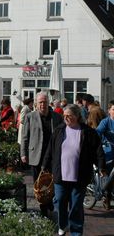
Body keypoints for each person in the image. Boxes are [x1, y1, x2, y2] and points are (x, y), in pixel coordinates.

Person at [42, 104, 106, 235]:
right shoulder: (59, 130)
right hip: (61, 175)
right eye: (64, 115)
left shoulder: (88, 132)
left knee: (76, 206)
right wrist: (44, 165)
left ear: (77, 116)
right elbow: (50, 149)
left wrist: (101, 166)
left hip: (79, 176)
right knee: (59, 201)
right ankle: (63, 225)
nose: (65, 118)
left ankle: (76, 232)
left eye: (69, 115)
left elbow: (98, 150)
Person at [20, 91, 63, 216]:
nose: (42, 105)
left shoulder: (56, 117)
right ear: (36, 104)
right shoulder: (30, 116)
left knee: (51, 182)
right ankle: (43, 207)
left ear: (48, 103)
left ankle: (48, 202)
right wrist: (23, 153)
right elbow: (25, 137)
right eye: (40, 102)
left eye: (44, 102)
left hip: (52, 156)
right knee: (38, 183)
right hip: (36, 156)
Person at [96, 102, 114, 209]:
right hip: (109, 151)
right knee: (108, 175)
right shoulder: (106, 122)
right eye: (113, 109)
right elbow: (98, 132)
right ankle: (106, 196)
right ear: (109, 111)